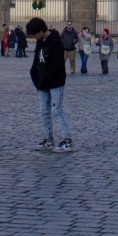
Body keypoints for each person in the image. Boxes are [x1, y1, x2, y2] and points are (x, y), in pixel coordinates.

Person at [27, 17, 73, 153]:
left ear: (41, 30)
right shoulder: (40, 42)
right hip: (42, 83)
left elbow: (56, 66)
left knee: (57, 110)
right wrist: (35, 76)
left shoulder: (56, 42)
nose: (34, 37)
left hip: (55, 82)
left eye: (35, 34)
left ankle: (67, 140)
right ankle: (48, 139)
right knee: (44, 111)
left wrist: (45, 79)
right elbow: (36, 61)